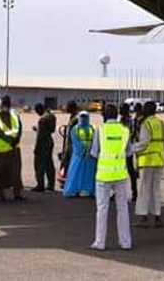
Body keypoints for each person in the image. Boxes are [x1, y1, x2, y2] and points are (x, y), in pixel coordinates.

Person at [89, 104, 133, 251]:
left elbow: (94, 152)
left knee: (102, 209)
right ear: (117, 115)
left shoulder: (100, 130)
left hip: (103, 175)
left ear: (104, 115)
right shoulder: (125, 131)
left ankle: (100, 242)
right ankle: (126, 242)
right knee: (123, 209)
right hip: (120, 174)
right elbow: (129, 152)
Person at [133, 101, 164, 227]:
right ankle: (157, 217)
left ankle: (144, 217)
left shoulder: (146, 124)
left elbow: (144, 143)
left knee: (144, 189)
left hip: (147, 160)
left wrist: (131, 148)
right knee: (156, 189)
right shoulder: (161, 123)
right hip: (159, 159)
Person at [0, 95, 24, 201]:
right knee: (3, 171)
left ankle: (14, 194)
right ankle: (4, 194)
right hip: (6, 148)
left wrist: (15, 140)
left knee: (14, 172)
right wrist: (13, 141)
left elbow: (19, 129)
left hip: (9, 148)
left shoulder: (12, 116)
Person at [63, 110, 97, 198]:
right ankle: (75, 189)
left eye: (85, 117)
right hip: (79, 156)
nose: (83, 119)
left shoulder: (92, 128)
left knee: (88, 174)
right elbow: (75, 141)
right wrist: (82, 151)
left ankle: (87, 190)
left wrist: (90, 151)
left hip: (90, 156)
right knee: (76, 173)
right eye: (82, 117)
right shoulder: (75, 129)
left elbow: (95, 140)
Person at [32, 102, 57, 192]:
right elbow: (51, 130)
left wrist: (36, 148)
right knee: (49, 164)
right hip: (49, 142)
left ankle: (40, 184)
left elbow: (40, 136)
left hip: (42, 144)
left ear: (39, 109)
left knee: (39, 164)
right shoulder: (51, 116)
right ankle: (51, 184)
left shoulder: (42, 119)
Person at [119, 102, 139, 203]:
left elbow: (133, 133)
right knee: (124, 172)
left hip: (126, 149)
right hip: (122, 149)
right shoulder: (122, 120)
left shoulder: (130, 121)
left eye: (122, 109)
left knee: (130, 172)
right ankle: (120, 192)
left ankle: (134, 193)